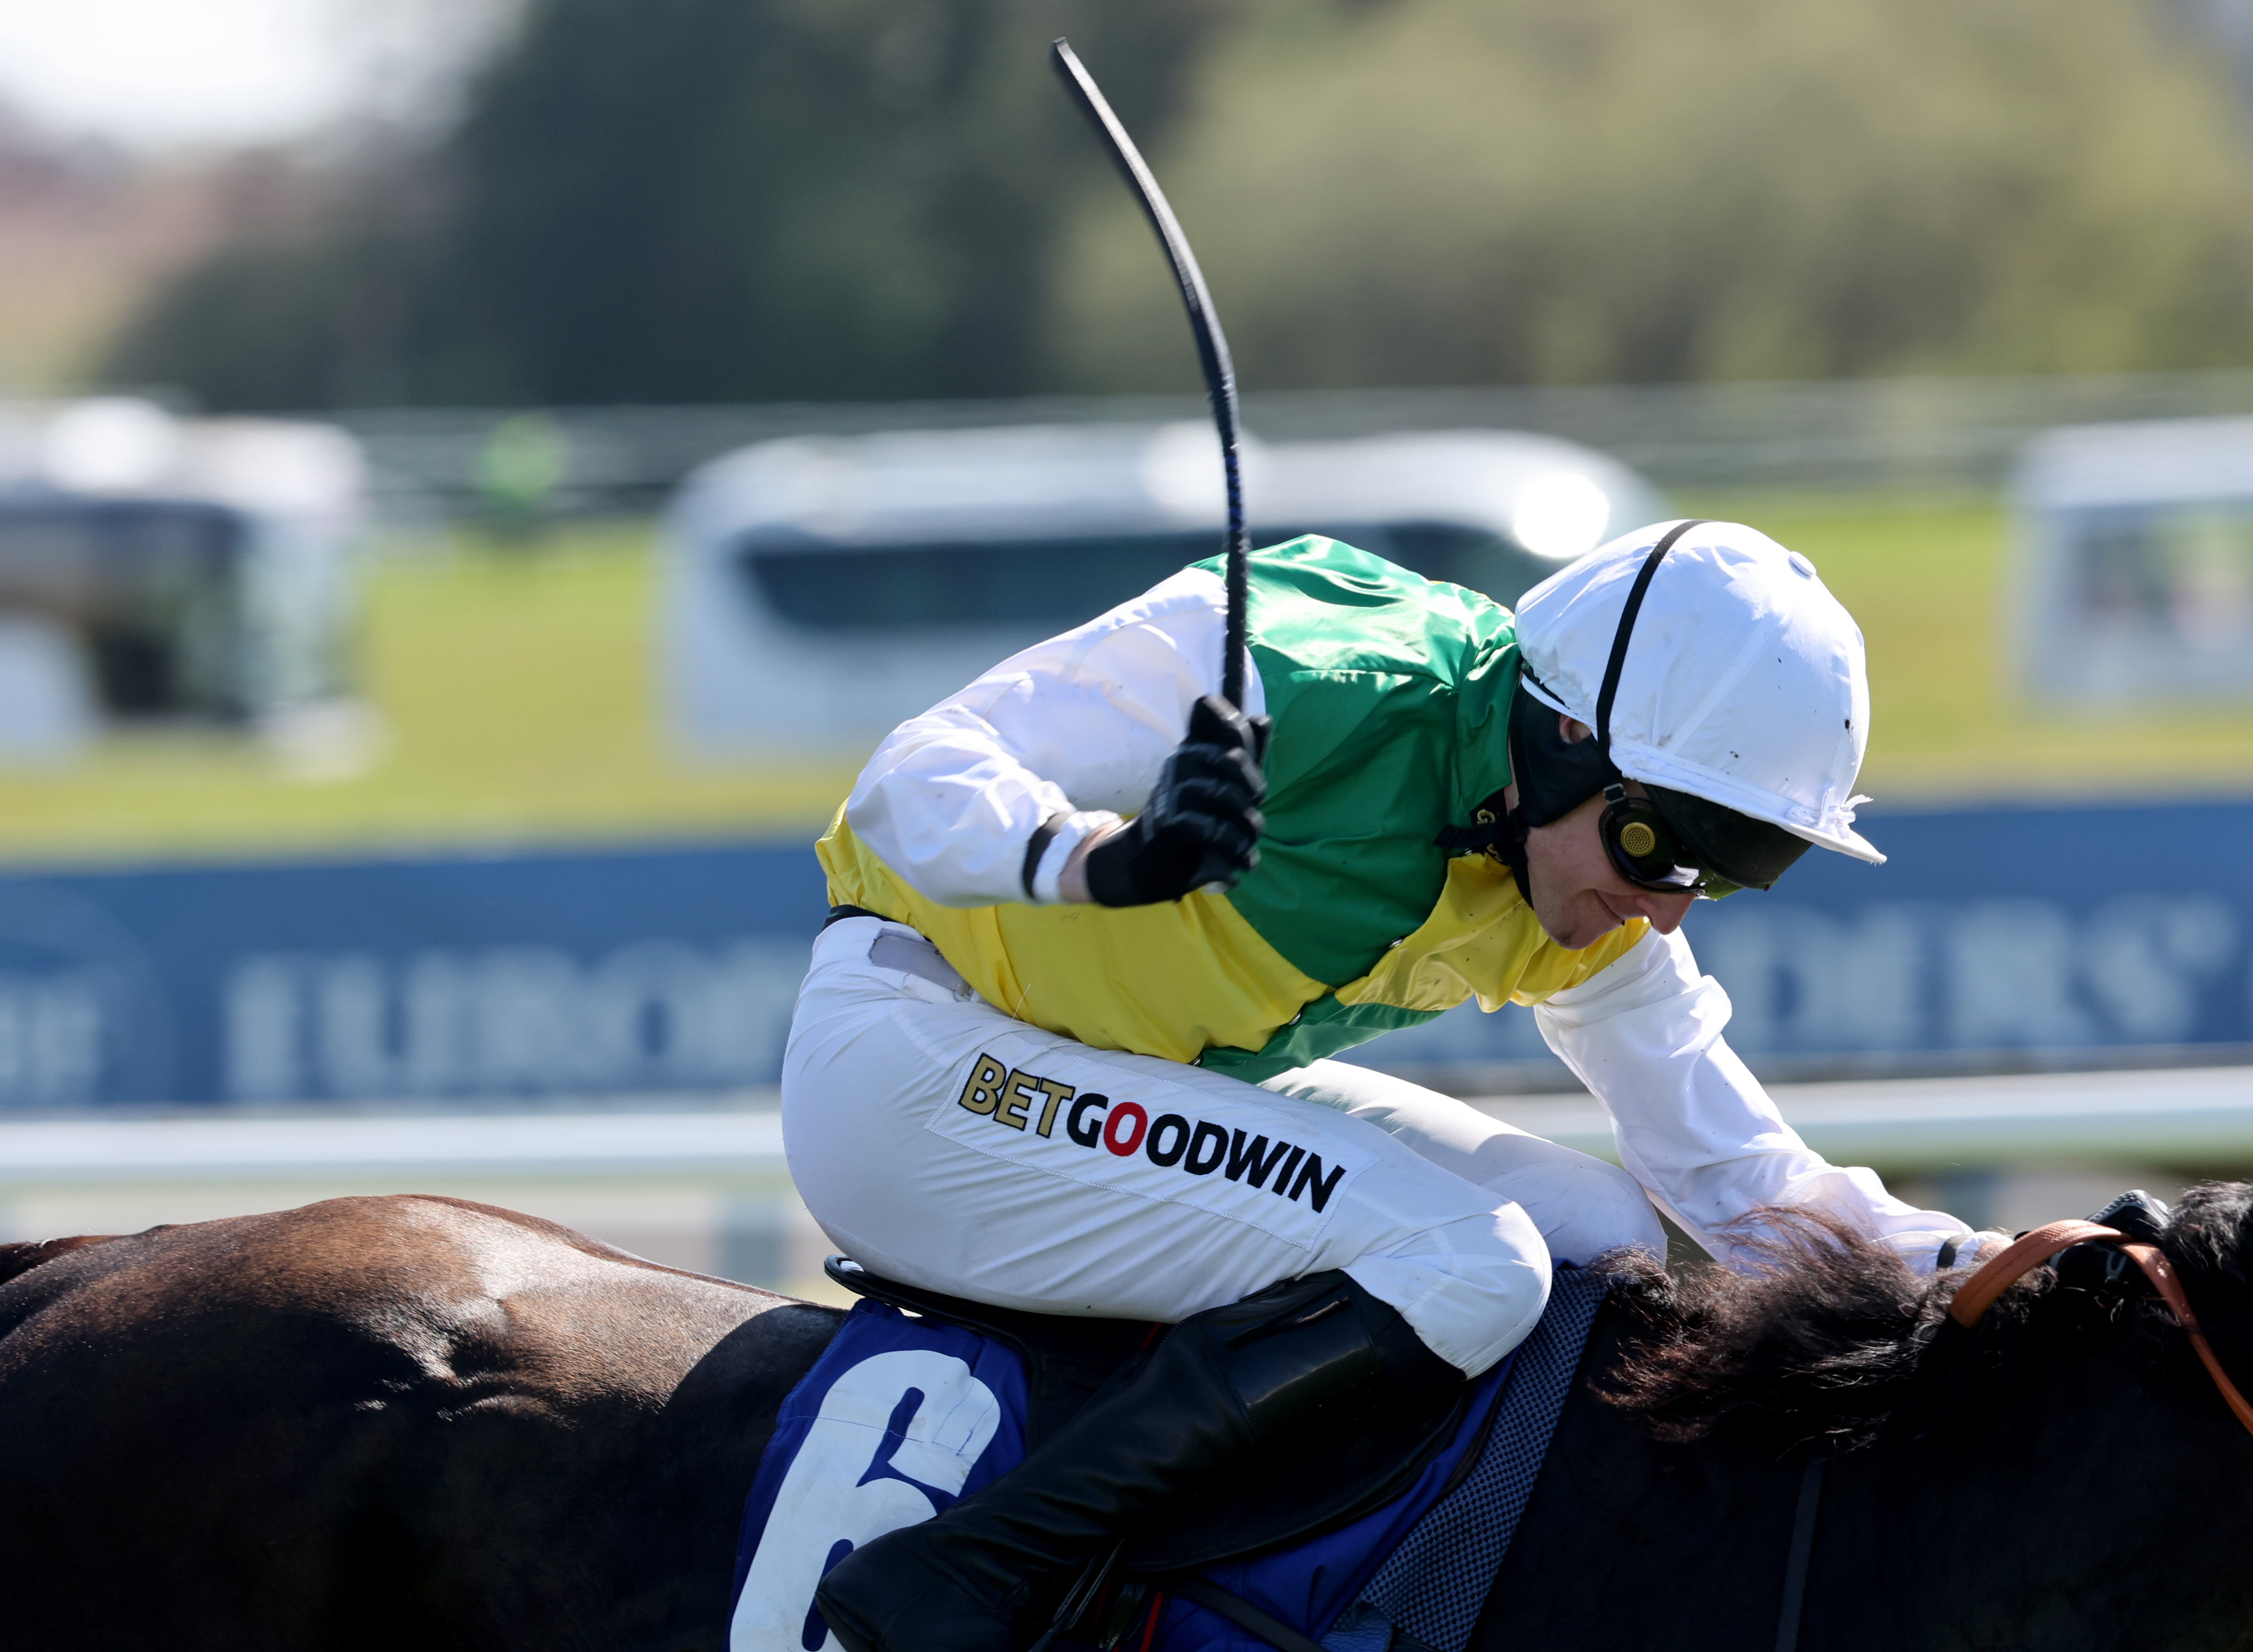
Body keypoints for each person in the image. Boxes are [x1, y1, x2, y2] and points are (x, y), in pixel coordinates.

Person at [787, 518, 1992, 1652]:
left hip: (1100, 1083)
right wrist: (1097, 858)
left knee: (1603, 1234)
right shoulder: (1320, 668)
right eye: (1663, 846)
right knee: (1473, 1261)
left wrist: (1986, 1266)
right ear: (1563, 738)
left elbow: (1735, 1176)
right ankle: (975, 1568)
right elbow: (912, 773)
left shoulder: (1581, 882)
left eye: (1727, 872)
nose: (1669, 908)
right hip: (916, 1070)